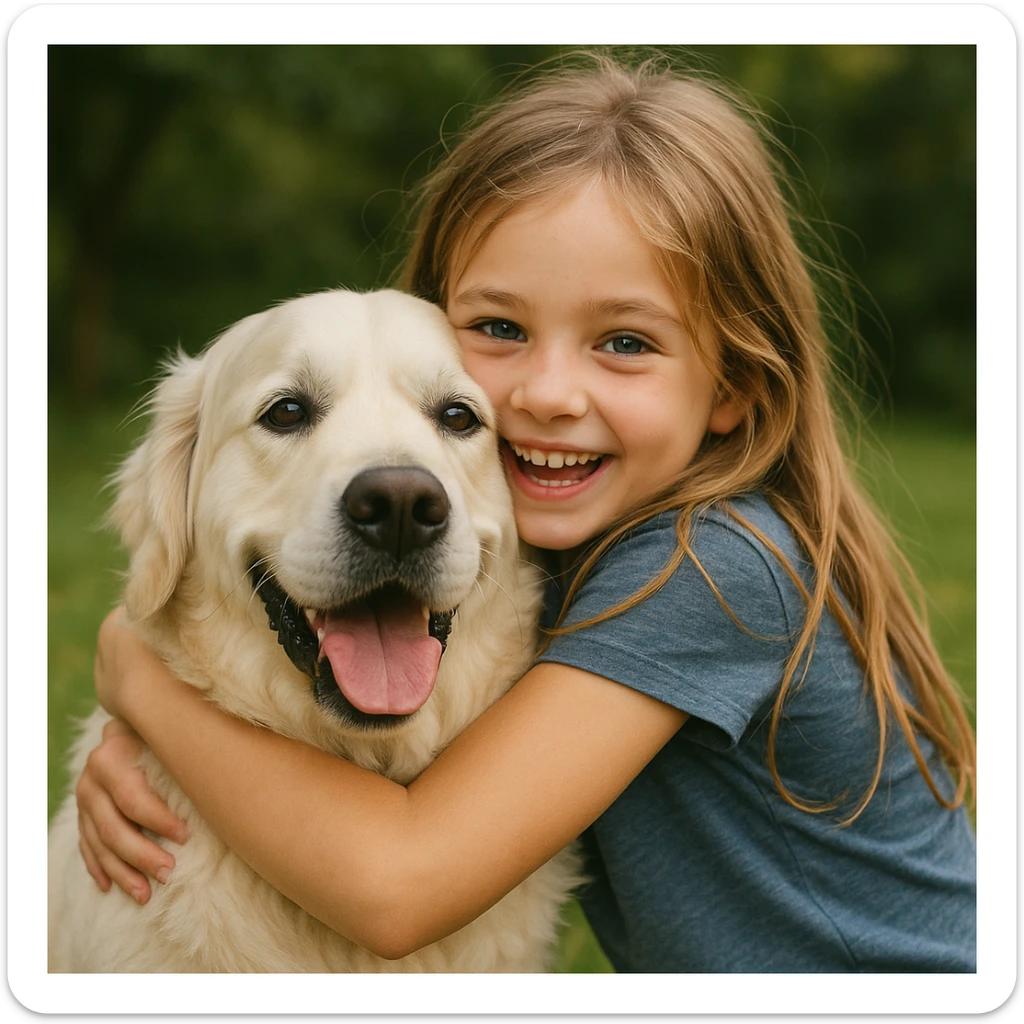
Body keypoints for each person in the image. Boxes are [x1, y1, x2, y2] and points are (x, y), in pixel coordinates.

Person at [76, 54, 977, 973]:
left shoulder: (712, 567)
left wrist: (139, 681)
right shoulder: (567, 536)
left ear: (733, 385)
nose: (547, 394)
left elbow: (400, 882)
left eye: (624, 341)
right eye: (501, 330)